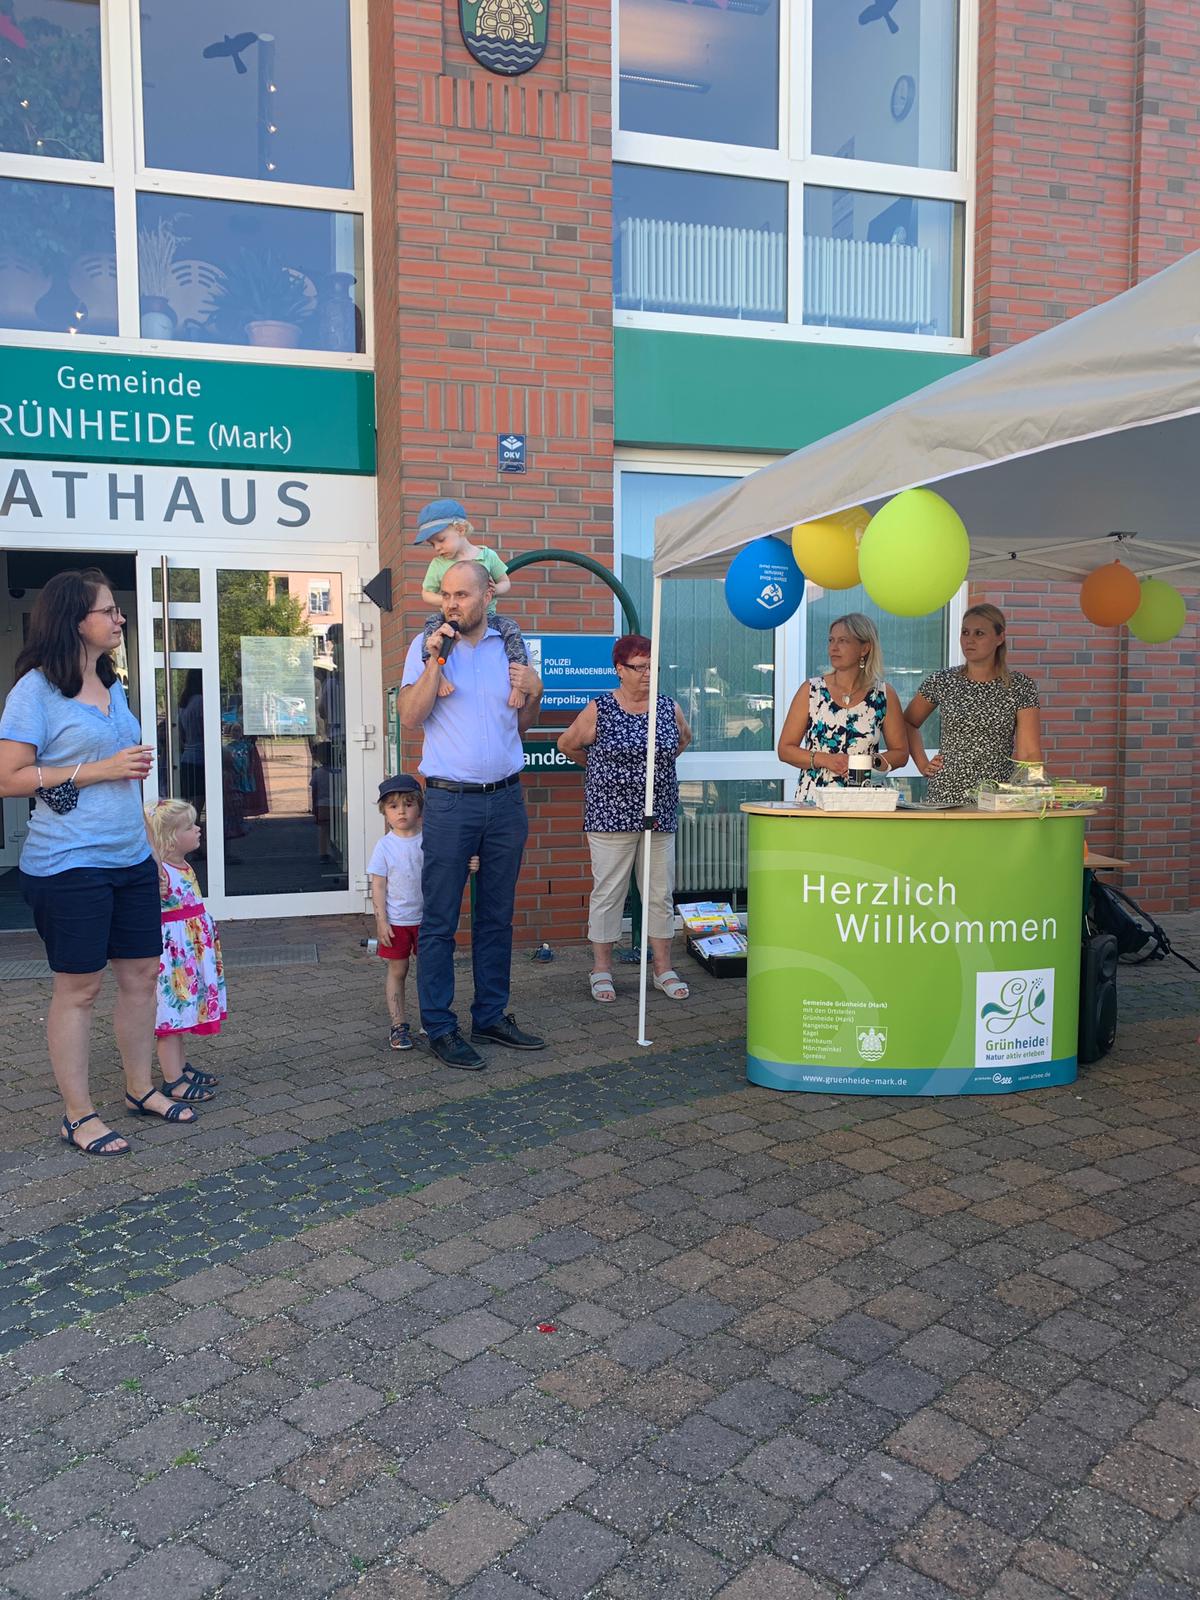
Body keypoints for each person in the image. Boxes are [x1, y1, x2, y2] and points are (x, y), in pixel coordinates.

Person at [0, 569, 181, 1156]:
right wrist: (97, 770)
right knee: (79, 988)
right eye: (109, 611)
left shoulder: (114, 685)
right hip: (67, 863)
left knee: (142, 977)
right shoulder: (34, 691)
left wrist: (151, 850)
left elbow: (129, 784)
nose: (119, 618)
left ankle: (138, 1089)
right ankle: (77, 1115)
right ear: (75, 618)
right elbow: (9, 778)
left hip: (129, 857)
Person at [398, 559, 545, 1069]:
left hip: (505, 800)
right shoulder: (426, 647)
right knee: (439, 920)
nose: (451, 603)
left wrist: (535, 690)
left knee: (496, 917)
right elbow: (411, 717)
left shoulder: (508, 648)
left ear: (487, 597)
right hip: (450, 802)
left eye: (461, 594)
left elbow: (523, 723)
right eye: (446, 594)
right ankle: (439, 1026)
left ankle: (490, 1016)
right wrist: (435, 662)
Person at [557, 634, 693, 1004]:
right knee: (609, 893)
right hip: (610, 816)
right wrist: (602, 771)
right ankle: (601, 970)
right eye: (640, 667)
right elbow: (567, 744)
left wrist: (653, 774)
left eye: (653, 666)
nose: (649, 674)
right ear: (620, 670)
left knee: (659, 894)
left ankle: (662, 968)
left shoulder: (668, 708)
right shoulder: (600, 709)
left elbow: (683, 740)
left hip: (658, 814)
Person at [904, 603, 1043, 805]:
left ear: (1000, 638)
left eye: (979, 633)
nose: (969, 640)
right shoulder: (943, 680)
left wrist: (1035, 796)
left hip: (997, 796)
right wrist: (922, 763)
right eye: (965, 632)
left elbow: (1029, 753)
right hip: (946, 794)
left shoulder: (1020, 686)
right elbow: (908, 722)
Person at [778, 612, 909, 802]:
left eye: (843, 641)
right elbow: (785, 749)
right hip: (815, 802)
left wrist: (866, 763)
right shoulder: (811, 691)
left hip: (865, 804)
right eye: (831, 640)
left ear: (864, 648)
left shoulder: (884, 694)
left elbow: (901, 753)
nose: (834, 647)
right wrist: (826, 759)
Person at [414, 497, 531, 708]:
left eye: (441, 540)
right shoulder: (438, 564)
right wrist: (448, 601)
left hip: (488, 617)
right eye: (432, 544)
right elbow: (425, 593)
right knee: (430, 629)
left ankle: (519, 686)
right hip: (450, 619)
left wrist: (494, 592)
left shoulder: (487, 556)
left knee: (513, 632)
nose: (437, 548)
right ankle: (435, 673)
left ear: (460, 529)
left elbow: (505, 583)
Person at [145, 798, 226, 1102]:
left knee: (184, 1010)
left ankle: (180, 1066)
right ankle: (172, 1079)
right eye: (190, 827)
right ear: (169, 837)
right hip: (173, 956)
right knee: (170, 1016)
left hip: (189, 952)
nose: (198, 829)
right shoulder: (161, 873)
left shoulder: (182, 864)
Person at [368, 774, 424, 1052]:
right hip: (397, 922)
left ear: (419, 807)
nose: (401, 811)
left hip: (427, 921)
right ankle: (399, 1024)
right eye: (393, 806)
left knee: (429, 971)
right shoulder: (385, 846)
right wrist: (381, 921)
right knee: (398, 970)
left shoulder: (430, 840)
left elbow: (450, 867)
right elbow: (378, 885)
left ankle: (433, 1019)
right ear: (384, 812)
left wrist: (470, 863)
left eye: (408, 803)